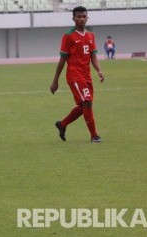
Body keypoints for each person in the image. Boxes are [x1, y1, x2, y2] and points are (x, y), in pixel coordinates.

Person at [50, 6, 104, 143]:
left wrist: (99, 70)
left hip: (87, 76)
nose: (81, 19)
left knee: (83, 107)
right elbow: (62, 59)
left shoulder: (91, 35)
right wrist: (55, 80)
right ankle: (94, 135)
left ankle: (62, 125)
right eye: (78, 16)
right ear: (73, 18)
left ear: (87, 18)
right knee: (87, 102)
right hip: (74, 75)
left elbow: (93, 56)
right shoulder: (68, 36)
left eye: (83, 16)